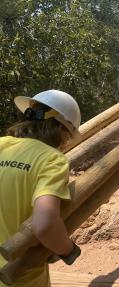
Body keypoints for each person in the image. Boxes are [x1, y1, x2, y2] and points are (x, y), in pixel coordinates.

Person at [0, 90, 82, 287]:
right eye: (68, 137)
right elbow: (44, 224)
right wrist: (67, 249)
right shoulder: (52, 159)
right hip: (20, 279)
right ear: (62, 130)